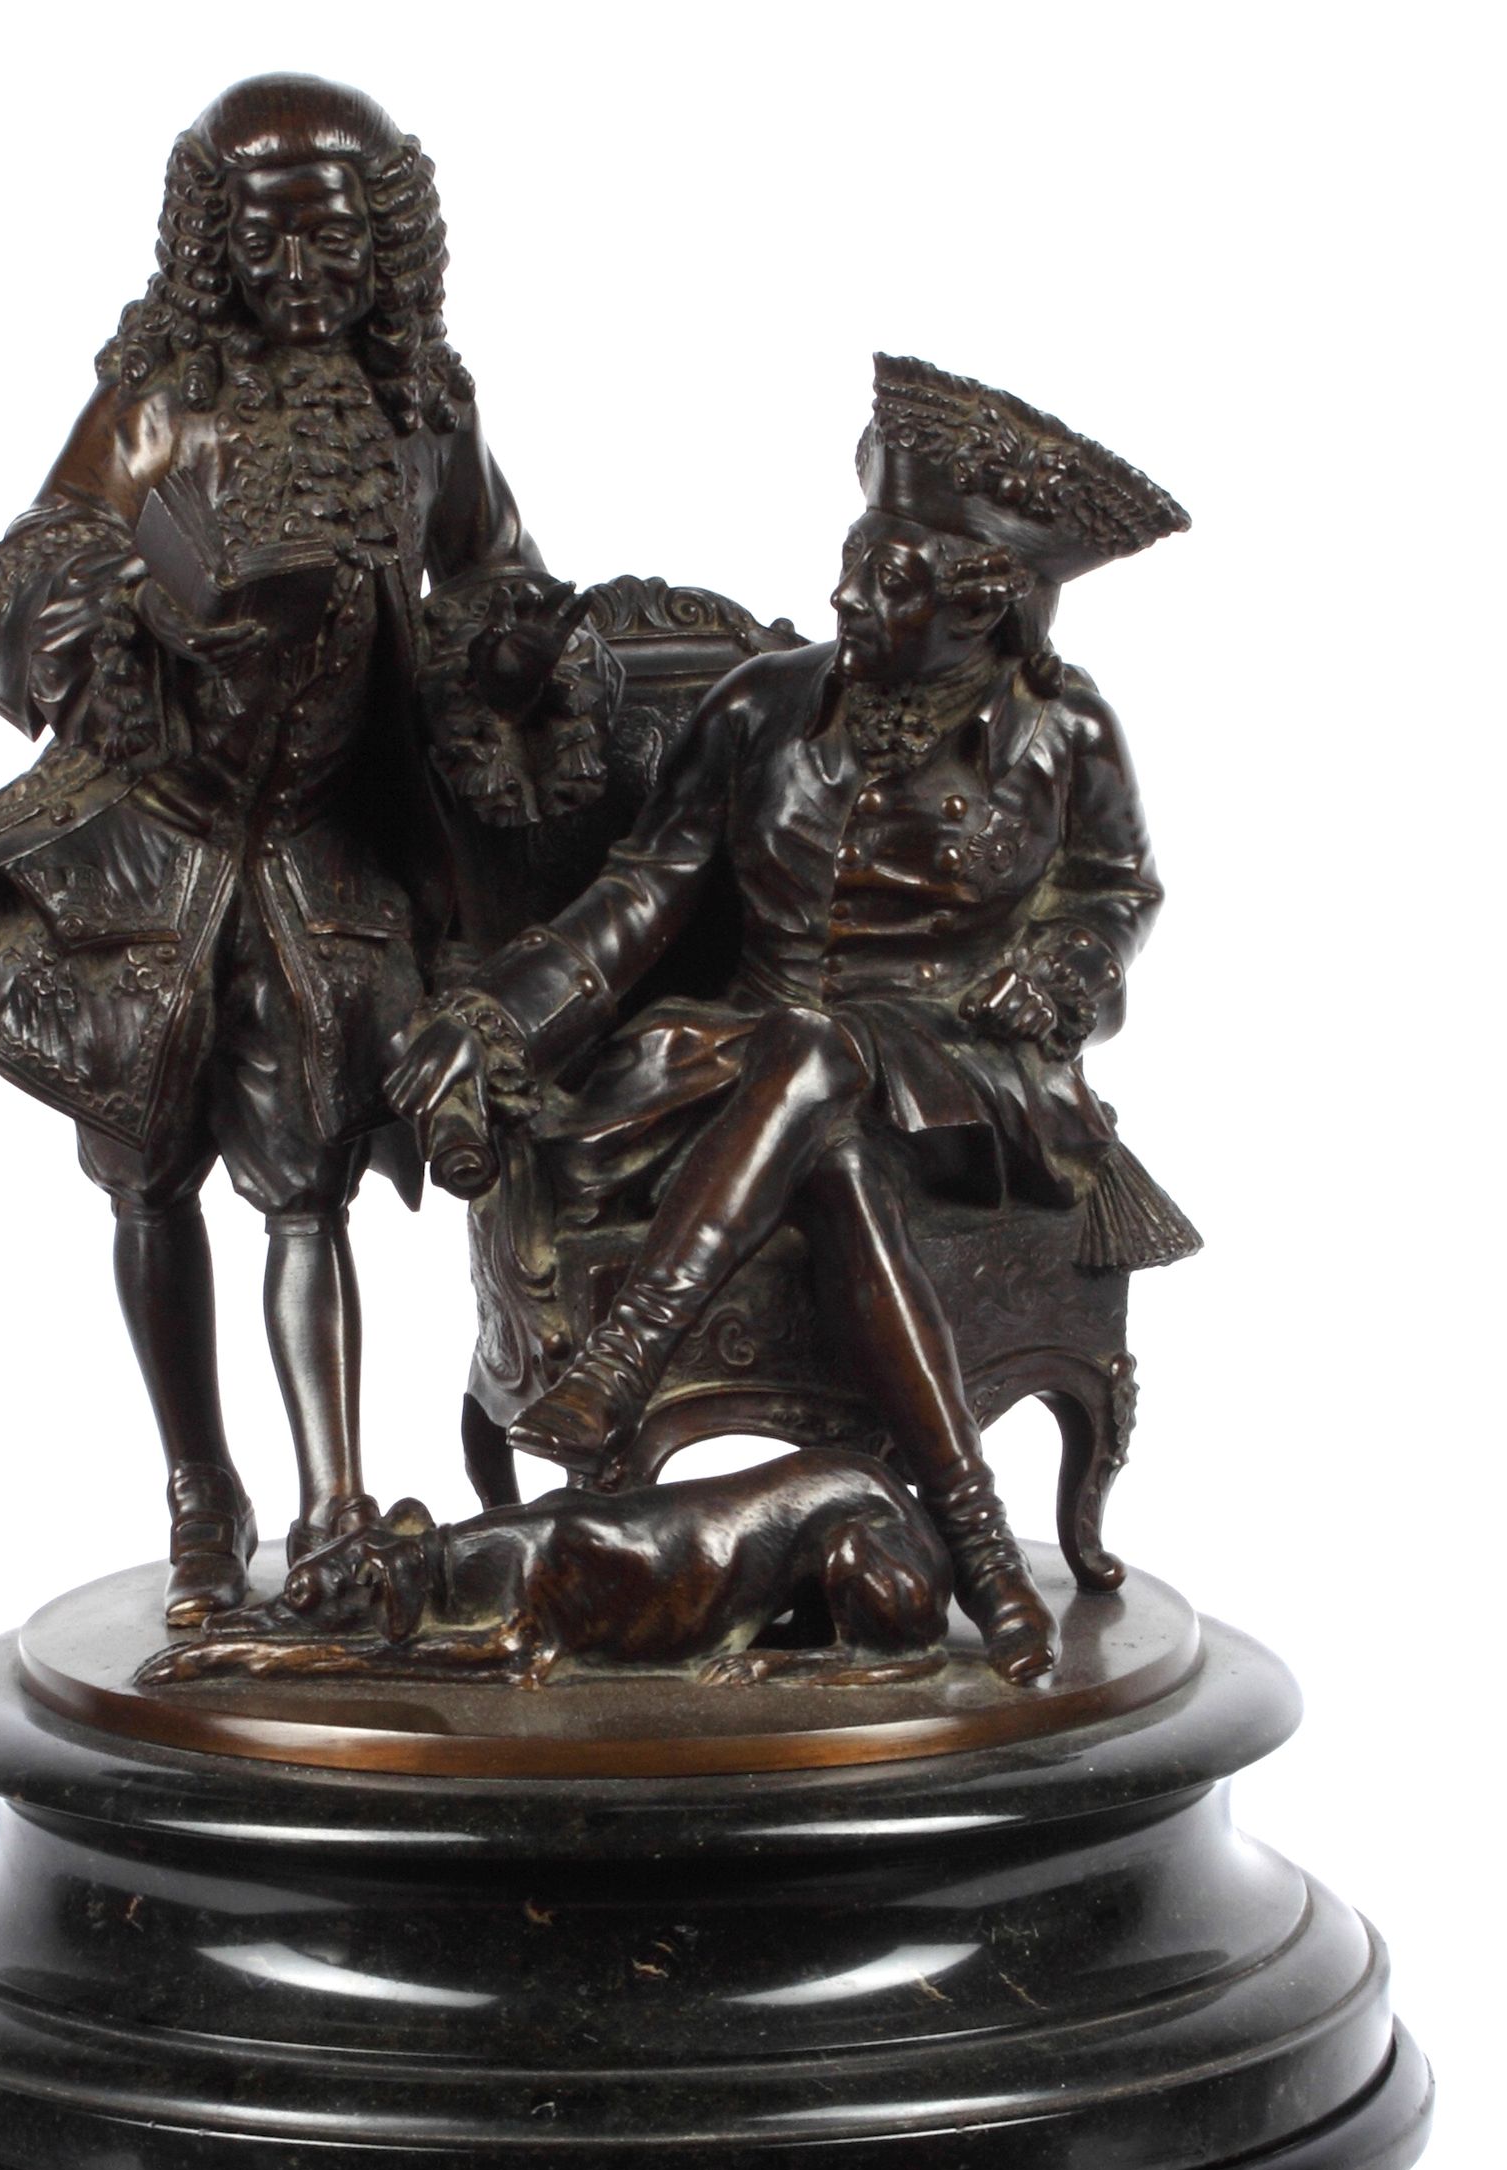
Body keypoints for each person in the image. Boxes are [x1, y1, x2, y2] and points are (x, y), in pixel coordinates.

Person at [0, 73, 612, 1622]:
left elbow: (495, 573)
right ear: (213, 240)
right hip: (149, 841)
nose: (300, 268)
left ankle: (332, 1509)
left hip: (327, 849)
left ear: (385, 240)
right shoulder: (156, 406)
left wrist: (505, 650)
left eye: (332, 234)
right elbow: (38, 560)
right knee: (147, 1173)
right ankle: (201, 1486)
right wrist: (103, 620)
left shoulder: (423, 414)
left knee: (306, 1175)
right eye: (265, 235)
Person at [388, 355, 1196, 1684]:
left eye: (892, 579)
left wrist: (1065, 972)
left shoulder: (1066, 731)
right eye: (853, 559)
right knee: (824, 1122)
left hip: (964, 1081)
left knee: (824, 1058)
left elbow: (1117, 893)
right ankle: (984, 1555)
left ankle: (627, 1354)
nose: (847, 595)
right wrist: (497, 1015)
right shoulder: (761, 706)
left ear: (984, 603)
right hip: (739, 1067)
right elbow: (638, 902)